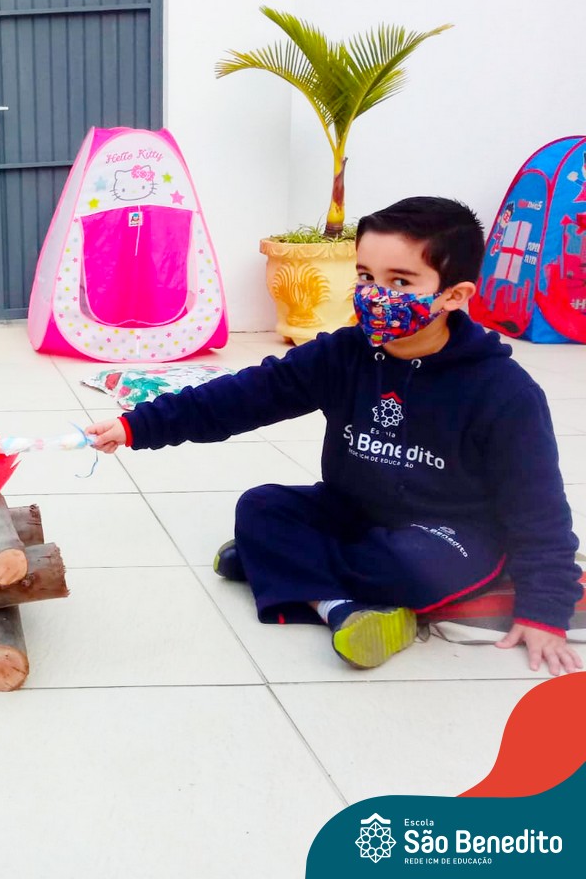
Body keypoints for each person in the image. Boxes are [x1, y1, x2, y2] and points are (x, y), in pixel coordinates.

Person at [87, 197, 583, 675]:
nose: (374, 294)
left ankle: (284, 569)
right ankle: (339, 604)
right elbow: (247, 395)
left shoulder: (504, 391)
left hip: (447, 533)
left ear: (454, 295)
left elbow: (538, 508)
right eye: (366, 276)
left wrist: (544, 610)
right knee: (260, 508)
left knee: (409, 566)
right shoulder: (343, 354)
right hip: (355, 511)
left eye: (400, 281)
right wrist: (139, 426)